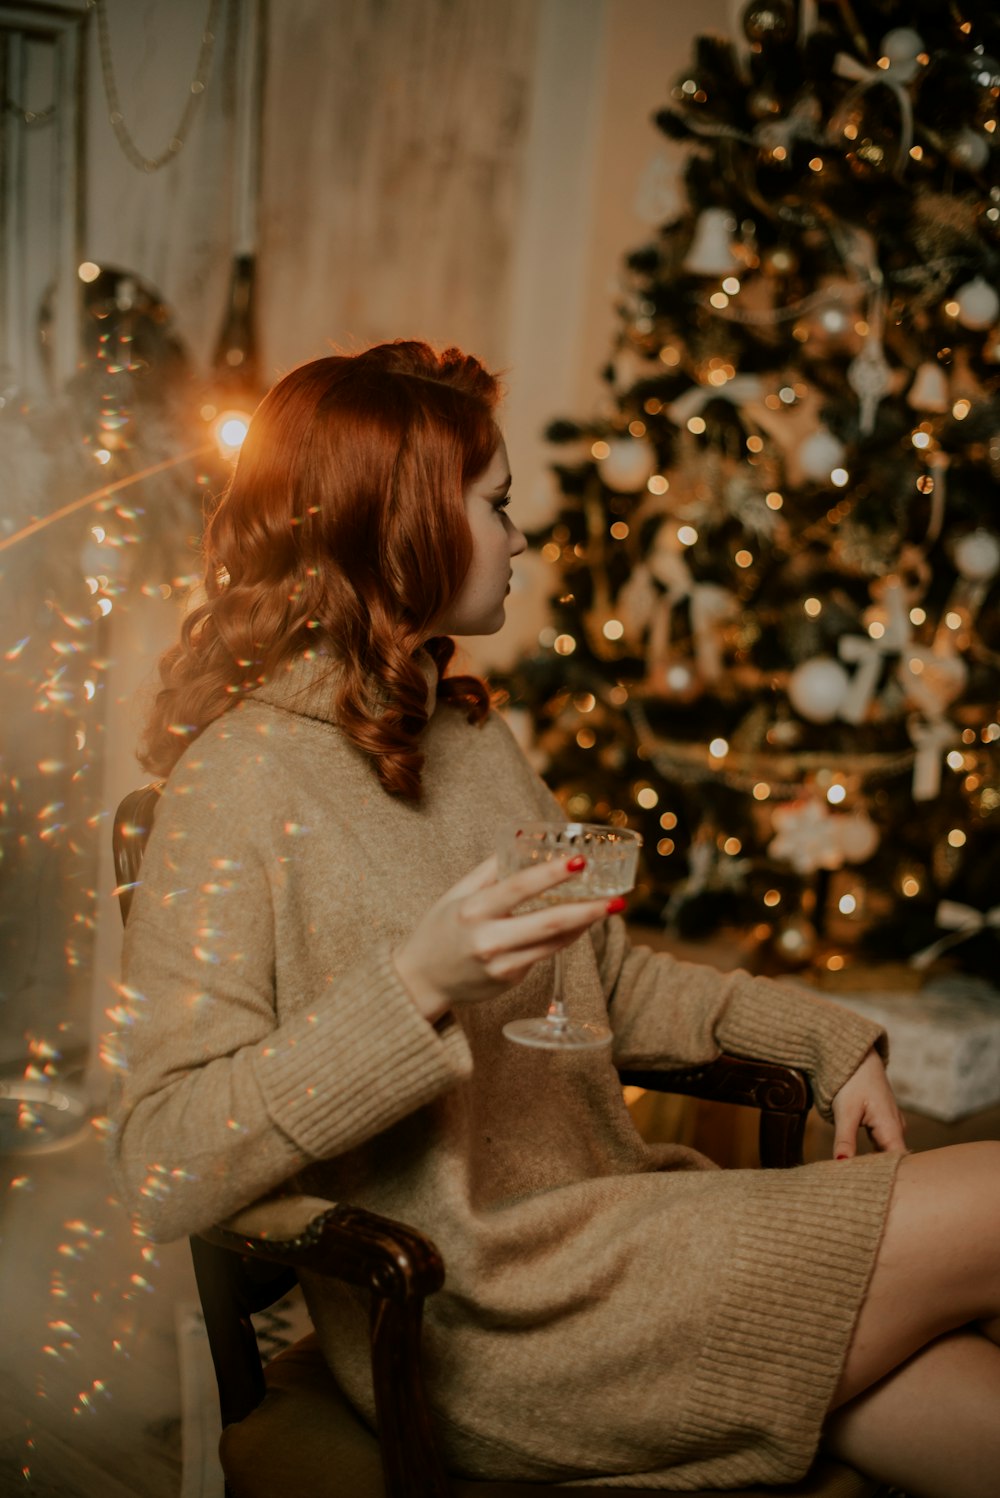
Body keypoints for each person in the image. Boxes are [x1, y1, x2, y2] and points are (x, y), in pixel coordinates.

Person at [109, 341, 1000, 1497]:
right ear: (401, 522)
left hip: (613, 1235)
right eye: (497, 505)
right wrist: (413, 985)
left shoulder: (466, 736)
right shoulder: (234, 787)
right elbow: (164, 1157)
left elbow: (608, 982)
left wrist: (831, 1043)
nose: (522, 536)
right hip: (473, 1317)